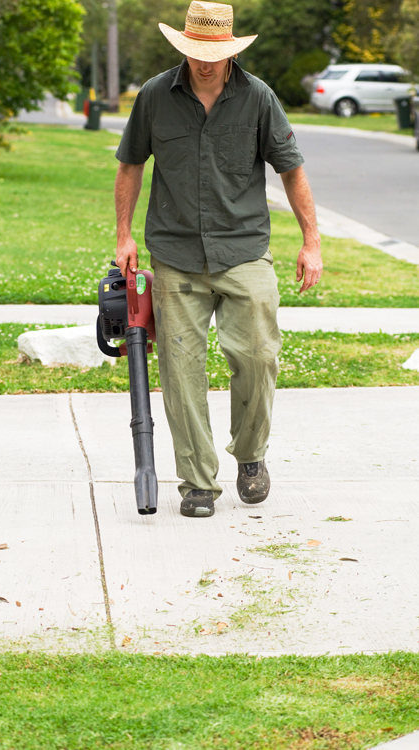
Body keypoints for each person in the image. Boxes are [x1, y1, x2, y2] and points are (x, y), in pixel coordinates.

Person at [114, 1, 322, 518]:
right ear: (183, 46)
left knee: (257, 356)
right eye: (194, 52)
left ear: (229, 49)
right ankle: (197, 482)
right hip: (175, 253)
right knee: (180, 370)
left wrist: (311, 241)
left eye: (214, 53)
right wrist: (123, 236)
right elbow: (130, 164)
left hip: (244, 249)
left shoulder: (258, 98)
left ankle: (250, 457)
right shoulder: (156, 96)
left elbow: (291, 170)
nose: (204, 63)